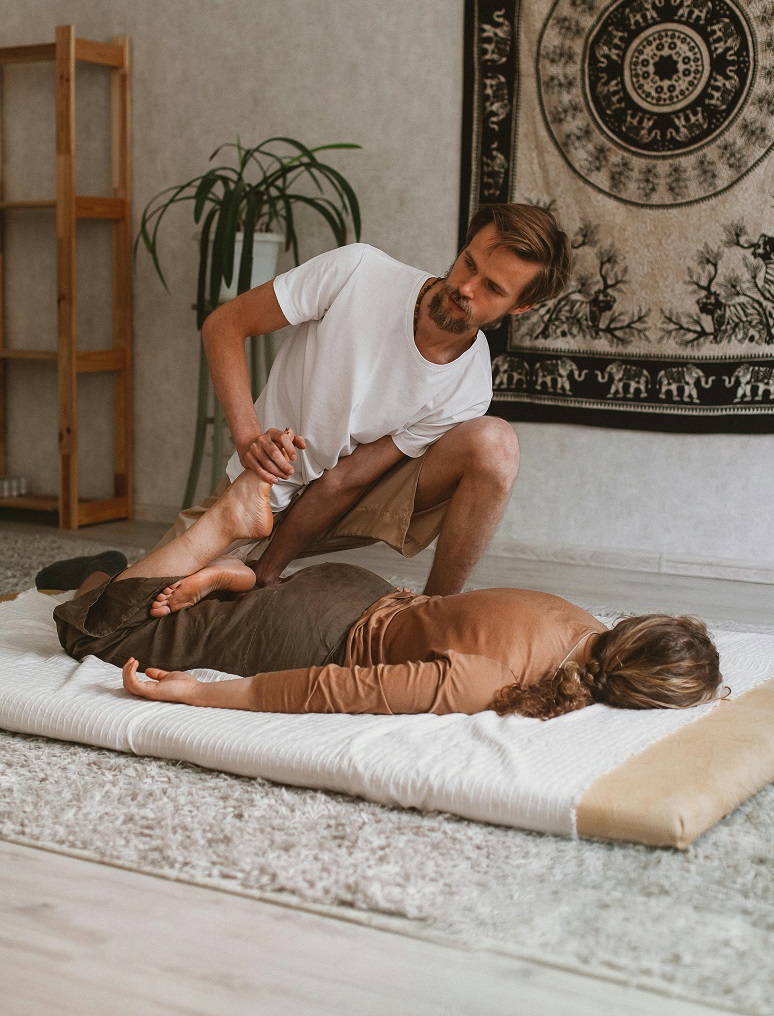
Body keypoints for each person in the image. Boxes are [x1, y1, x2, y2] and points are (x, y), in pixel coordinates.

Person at [51, 468, 725, 719]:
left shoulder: (576, 618)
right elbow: (337, 690)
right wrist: (200, 695)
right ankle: (223, 537)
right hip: (315, 632)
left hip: (360, 586)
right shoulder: (494, 680)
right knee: (93, 635)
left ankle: (201, 577)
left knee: (127, 603)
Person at [154, 203, 573, 596]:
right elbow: (224, 325)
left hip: (341, 506)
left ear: (521, 306)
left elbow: (346, 479)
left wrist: (269, 572)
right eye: (469, 262)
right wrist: (249, 439)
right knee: (133, 601)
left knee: (496, 444)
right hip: (258, 489)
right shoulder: (357, 270)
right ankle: (189, 569)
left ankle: (434, 613)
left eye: (492, 287)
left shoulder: (470, 387)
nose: (465, 286)